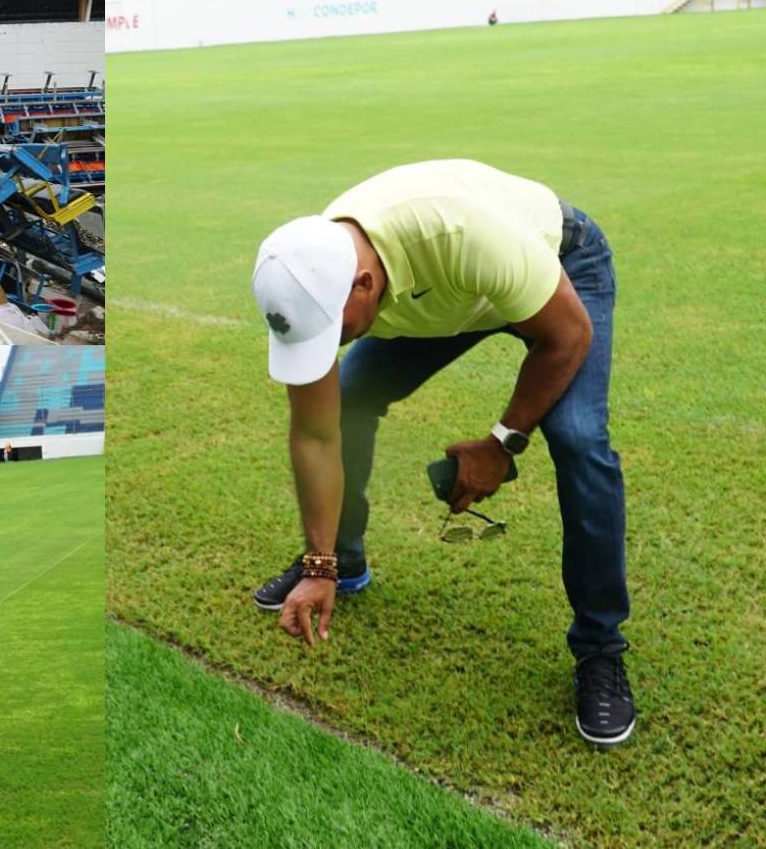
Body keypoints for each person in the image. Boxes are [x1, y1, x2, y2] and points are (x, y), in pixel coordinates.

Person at [250, 159, 634, 745]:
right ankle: (344, 565)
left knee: (579, 438)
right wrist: (318, 562)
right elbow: (315, 434)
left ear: (365, 285)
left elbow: (568, 336)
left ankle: (600, 647)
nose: (327, 347)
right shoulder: (312, 276)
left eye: (335, 333)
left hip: (558, 264)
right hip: (453, 297)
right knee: (349, 400)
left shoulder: (462, 235)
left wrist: (501, 444)